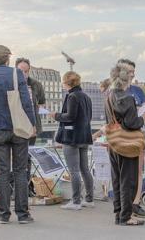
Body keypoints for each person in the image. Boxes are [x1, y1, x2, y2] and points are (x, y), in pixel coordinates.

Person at [0, 45, 35, 224]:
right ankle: (23, 214)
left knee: (2, 171)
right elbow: (26, 101)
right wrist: (32, 124)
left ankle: (3, 214)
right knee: (20, 171)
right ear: (8, 58)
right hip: (18, 128)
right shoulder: (16, 74)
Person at [106, 62, 145, 226]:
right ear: (126, 79)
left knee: (117, 179)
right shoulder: (128, 98)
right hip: (127, 143)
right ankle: (126, 216)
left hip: (114, 141)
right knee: (128, 180)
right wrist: (143, 118)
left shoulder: (110, 96)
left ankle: (119, 214)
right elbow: (131, 123)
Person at [51, 71, 94, 210]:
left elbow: (70, 116)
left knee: (74, 170)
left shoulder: (72, 96)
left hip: (72, 137)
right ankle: (89, 199)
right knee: (85, 169)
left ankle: (75, 201)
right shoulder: (86, 97)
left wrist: (56, 115)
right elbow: (89, 117)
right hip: (84, 136)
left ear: (67, 83)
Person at [116, 58, 145, 219]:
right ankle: (123, 205)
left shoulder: (137, 90)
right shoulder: (115, 92)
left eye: (133, 71)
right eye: (129, 71)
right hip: (122, 134)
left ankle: (135, 202)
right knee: (122, 171)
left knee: (138, 170)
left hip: (137, 133)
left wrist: (144, 114)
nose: (132, 74)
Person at [15, 57, 46, 196]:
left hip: (32, 126)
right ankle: (15, 188)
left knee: (28, 157)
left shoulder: (36, 85)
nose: (24, 74)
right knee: (16, 158)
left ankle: (26, 187)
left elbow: (42, 103)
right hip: (16, 127)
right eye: (21, 71)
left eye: (26, 71)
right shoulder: (11, 83)